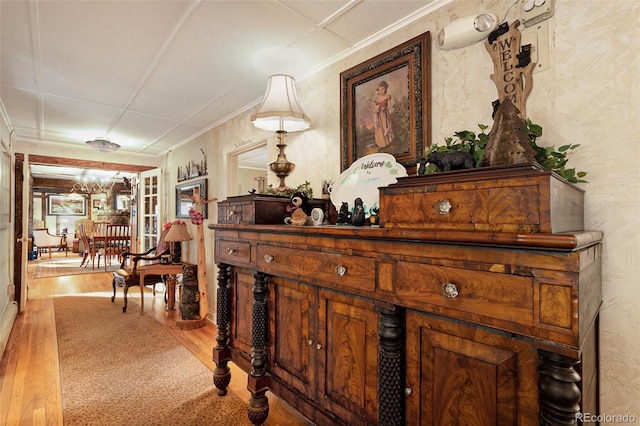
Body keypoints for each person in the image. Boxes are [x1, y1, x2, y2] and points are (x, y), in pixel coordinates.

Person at [372, 80, 394, 148]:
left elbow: (389, 106)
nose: (381, 91)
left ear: (385, 89)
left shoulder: (387, 96)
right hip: (378, 115)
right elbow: (374, 109)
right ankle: (381, 143)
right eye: (379, 90)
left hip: (385, 114)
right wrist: (376, 110)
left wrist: (385, 109)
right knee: (379, 128)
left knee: (386, 126)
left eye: (382, 89)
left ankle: (389, 141)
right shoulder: (376, 99)